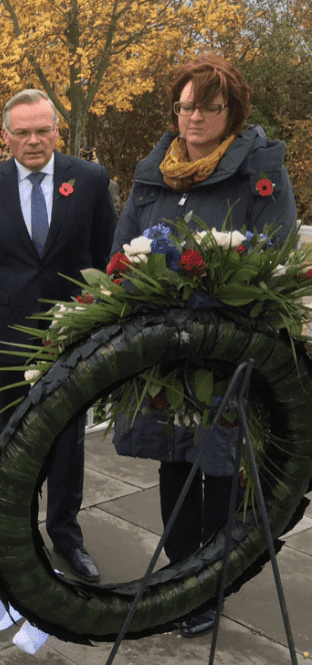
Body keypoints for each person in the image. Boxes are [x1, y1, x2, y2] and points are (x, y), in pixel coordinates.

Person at [111, 53, 296, 638]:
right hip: (166, 353)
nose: (194, 117)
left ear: (231, 112)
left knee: (220, 464)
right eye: (186, 106)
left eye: (209, 108)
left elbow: (273, 253)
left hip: (226, 354)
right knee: (174, 459)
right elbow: (121, 252)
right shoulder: (154, 173)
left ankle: (210, 584)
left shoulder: (260, 173)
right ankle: (179, 571)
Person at [0, 88, 115, 585]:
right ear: (5, 137)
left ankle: (66, 535)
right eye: (23, 132)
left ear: (57, 131)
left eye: (43, 130)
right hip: (7, 330)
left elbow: (104, 251)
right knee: (13, 434)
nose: (33, 140)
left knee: (68, 434)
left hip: (72, 329)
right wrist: (14, 294)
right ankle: (16, 533)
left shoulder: (90, 180)